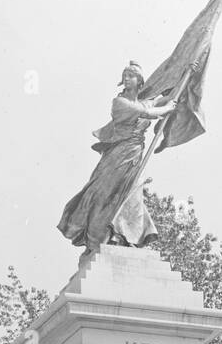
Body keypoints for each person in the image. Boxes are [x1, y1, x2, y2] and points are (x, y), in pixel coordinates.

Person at [57, 62, 177, 254]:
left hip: (135, 156)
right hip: (117, 155)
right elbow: (148, 112)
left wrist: (189, 70)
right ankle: (95, 239)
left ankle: (121, 237)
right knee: (103, 194)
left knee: (131, 195)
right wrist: (166, 109)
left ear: (139, 81)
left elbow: (164, 99)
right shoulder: (119, 103)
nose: (127, 79)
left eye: (131, 75)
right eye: (125, 75)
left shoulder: (142, 102)